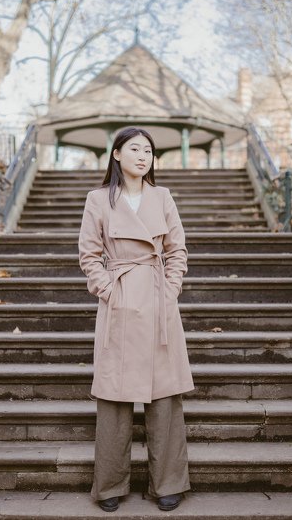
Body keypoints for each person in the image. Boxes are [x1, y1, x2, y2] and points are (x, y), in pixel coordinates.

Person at [78, 127, 194, 513]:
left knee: (165, 396)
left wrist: (170, 289)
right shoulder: (98, 199)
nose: (143, 156)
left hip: (159, 301)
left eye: (148, 151)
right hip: (120, 300)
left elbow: (177, 249)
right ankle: (110, 484)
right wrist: (109, 290)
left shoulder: (162, 196)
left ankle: (169, 483)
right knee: (114, 396)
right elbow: (89, 254)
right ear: (116, 154)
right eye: (135, 149)